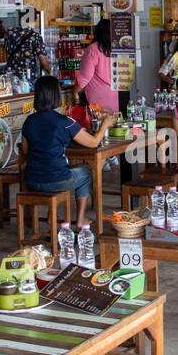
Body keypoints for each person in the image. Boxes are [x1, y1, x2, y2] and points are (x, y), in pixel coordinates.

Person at [21, 75, 116, 228]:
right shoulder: (64, 122)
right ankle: (80, 219)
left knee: (65, 168)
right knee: (85, 173)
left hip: (32, 180)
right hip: (56, 181)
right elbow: (93, 142)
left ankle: (52, 215)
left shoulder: (29, 121)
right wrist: (105, 124)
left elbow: (25, 149)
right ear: (56, 96)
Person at [75, 18, 118, 113]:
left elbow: (85, 77)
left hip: (97, 102)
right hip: (115, 98)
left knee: (98, 126)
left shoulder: (93, 49)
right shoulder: (117, 49)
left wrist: (74, 92)